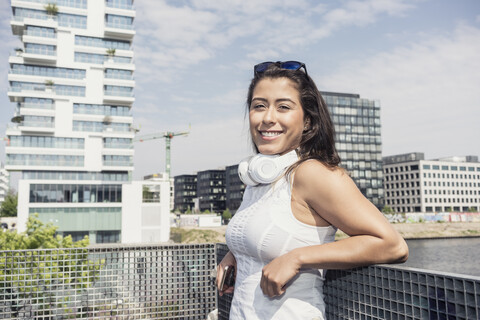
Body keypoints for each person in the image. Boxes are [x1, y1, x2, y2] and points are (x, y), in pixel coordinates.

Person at [216, 61, 409, 319]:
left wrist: (297, 258)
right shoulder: (260, 177)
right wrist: (238, 251)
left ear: (307, 121)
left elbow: (392, 245)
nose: (268, 117)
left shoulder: (312, 173)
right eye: (259, 106)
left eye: (283, 107)